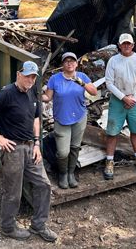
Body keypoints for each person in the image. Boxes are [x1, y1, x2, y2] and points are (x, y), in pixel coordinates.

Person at [0, 61, 57, 242]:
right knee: (13, 192)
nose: (30, 80)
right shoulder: (7, 93)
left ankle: (39, 224)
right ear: (18, 74)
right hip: (13, 149)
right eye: (27, 76)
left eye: (33, 77)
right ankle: (7, 227)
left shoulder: (33, 92)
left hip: (30, 147)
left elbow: (35, 118)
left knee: (43, 184)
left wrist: (37, 144)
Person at [42, 52, 97, 189]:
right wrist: (33, 94)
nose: (70, 63)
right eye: (66, 61)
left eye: (72, 61)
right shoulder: (55, 79)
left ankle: (71, 174)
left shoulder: (82, 76)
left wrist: (81, 82)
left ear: (76, 64)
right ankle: (62, 173)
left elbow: (94, 92)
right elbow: (47, 97)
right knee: (63, 151)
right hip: (61, 119)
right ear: (63, 64)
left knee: (75, 147)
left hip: (79, 117)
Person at [103, 33, 136, 180]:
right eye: (124, 44)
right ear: (119, 46)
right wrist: (123, 98)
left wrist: (133, 98)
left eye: (129, 43)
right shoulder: (113, 61)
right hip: (118, 100)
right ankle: (109, 160)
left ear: (133, 45)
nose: (126, 46)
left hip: (135, 99)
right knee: (113, 131)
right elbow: (109, 83)